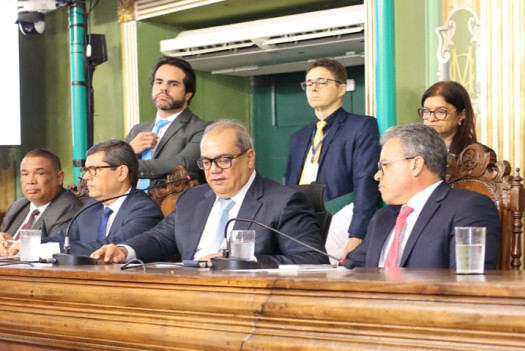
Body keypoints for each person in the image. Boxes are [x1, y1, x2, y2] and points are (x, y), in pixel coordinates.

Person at [92, 120, 329, 265]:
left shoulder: (283, 202)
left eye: (223, 160)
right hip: (189, 294)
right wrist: (124, 250)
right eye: (206, 162)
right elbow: (159, 238)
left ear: (249, 158)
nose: (213, 170)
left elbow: (313, 258)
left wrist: (244, 262)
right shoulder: (193, 198)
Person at [345, 123, 501, 268]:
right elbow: (350, 269)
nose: (377, 176)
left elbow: (468, 281)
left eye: (385, 165)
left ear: (416, 165)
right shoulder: (382, 218)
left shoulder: (468, 208)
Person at [285, 58, 380, 258]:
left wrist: (357, 233)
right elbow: (289, 189)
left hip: (339, 224)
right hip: (299, 228)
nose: (313, 88)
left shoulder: (361, 126)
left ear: (341, 88)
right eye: (309, 83)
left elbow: (365, 182)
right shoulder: (298, 137)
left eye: (322, 82)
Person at [3, 140, 164, 257]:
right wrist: (19, 244)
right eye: (85, 170)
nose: (86, 177)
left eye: (94, 170)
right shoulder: (92, 206)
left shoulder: (144, 209)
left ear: (121, 172)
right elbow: (63, 238)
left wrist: (41, 249)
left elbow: (110, 246)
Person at [125, 56, 208, 189]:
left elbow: (183, 163)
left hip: (174, 201)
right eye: (159, 82)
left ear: (188, 94)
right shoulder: (137, 130)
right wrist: (129, 150)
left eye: (173, 84)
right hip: (131, 200)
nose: (164, 88)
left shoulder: (203, 129)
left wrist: (125, 163)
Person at [0, 149, 81, 256]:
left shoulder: (69, 209)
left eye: (40, 173)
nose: (30, 181)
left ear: (59, 177)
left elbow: (56, 253)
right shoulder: (17, 206)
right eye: (25, 174)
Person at [419, 81, 493, 156]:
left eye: (441, 112)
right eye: (426, 111)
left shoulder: (479, 155)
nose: (431, 119)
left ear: (461, 115)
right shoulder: (416, 149)